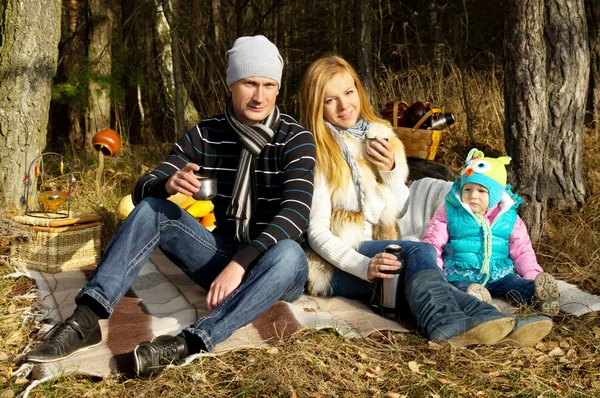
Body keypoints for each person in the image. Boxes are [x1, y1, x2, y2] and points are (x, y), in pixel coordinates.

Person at [23, 35, 317, 377]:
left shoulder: (295, 138)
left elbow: (296, 214)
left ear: (278, 89)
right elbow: (141, 189)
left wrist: (241, 262)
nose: (259, 95)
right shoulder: (206, 134)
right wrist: (168, 183)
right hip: (221, 257)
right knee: (152, 208)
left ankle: (189, 343)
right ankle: (86, 318)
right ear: (231, 84)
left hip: (275, 269)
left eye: (269, 85)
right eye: (249, 83)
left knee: (290, 253)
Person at [299, 53, 553, 348]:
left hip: (380, 249)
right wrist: (363, 266)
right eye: (330, 100)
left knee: (420, 268)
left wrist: (391, 170)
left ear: (358, 89)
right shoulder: (314, 151)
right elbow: (316, 233)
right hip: (335, 265)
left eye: (348, 92)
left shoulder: (378, 135)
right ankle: (446, 324)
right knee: (419, 255)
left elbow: (400, 207)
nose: (344, 105)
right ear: (316, 105)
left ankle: (493, 320)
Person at [422, 148, 560, 315]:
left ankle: (538, 295)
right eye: (467, 189)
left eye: (481, 191)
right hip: (462, 274)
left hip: (499, 274)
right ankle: (479, 303)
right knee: (458, 291)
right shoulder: (450, 212)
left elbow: (522, 251)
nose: (473, 196)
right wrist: (435, 274)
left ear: (494, 195)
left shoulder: (508, 217)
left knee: (515, 285)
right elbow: (432, 245)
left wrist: (532, 274)